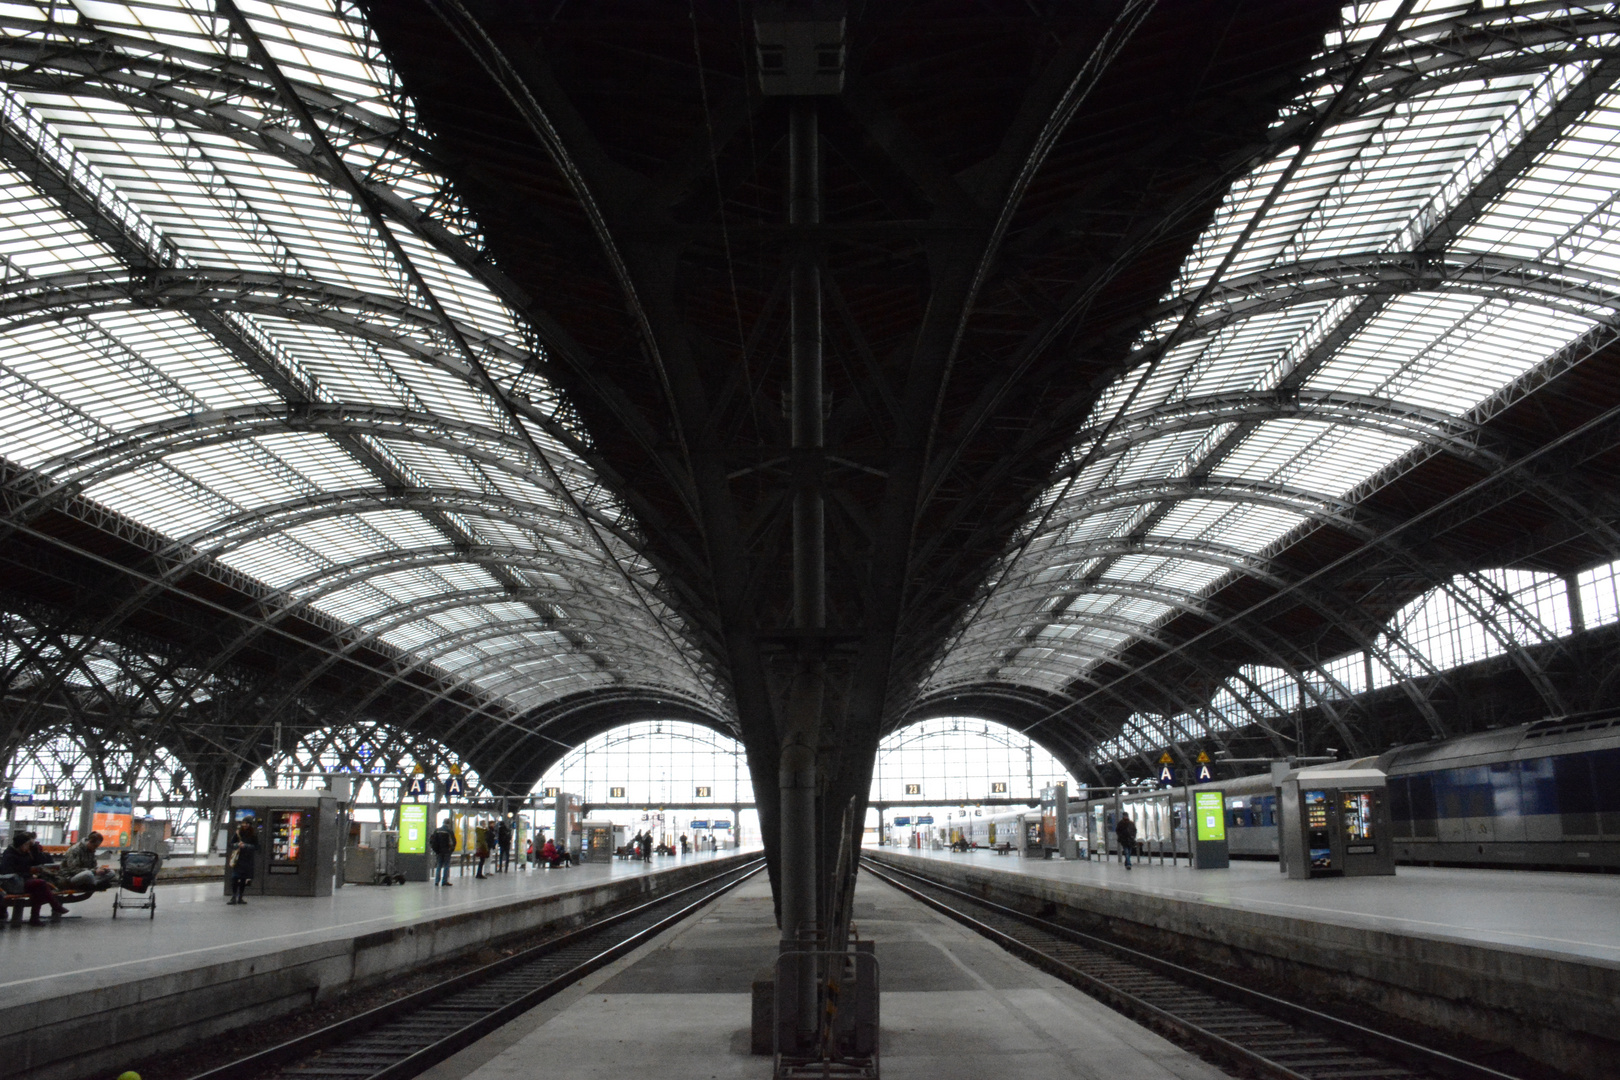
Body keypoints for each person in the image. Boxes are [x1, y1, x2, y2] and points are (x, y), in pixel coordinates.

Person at [1, 830, 71, 924]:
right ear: (21, 845)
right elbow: (9, 871)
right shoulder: (9, 855)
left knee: (39, 889)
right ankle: (53, 906)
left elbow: (40, 861)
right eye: (27, 845)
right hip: (14, 883)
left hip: (25, 881)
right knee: (41, 884)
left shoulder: (26, 853)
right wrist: (29, 872)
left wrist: (34, 848)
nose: (28, 848)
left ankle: (36, 917)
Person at [227, 822, 258, 904]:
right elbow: (230, 844)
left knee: (243, 879)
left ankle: (240, 897)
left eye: (247, 824)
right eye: (244, 824)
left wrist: (246, 846)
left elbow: (257, 847)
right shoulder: (237, 833)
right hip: (238, 859)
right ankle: (234, 896)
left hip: (247, 859)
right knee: (235, 878)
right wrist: (238, 845)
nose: (245, 826)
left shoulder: (253, 835)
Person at [429, 818, 456, 886]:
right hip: (447, 851)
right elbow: (453, 842)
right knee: (446, 865)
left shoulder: (437, 830)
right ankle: (444, 881)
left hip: (439, 851)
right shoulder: (449, 831)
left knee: (439, 865)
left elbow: (432, 840)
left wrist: (435, 850)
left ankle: (437, 881)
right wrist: (451, 850)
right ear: (449, 823)